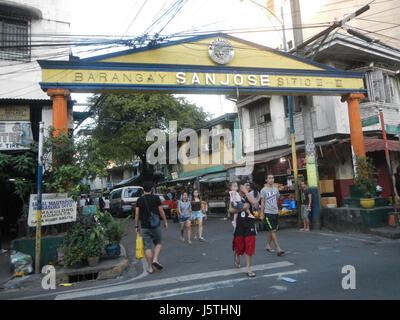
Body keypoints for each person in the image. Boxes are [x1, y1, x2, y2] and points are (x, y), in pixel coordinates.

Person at [135, 181, 168, 274]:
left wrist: (136, 226)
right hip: (155, 225)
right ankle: (155, 259)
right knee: (159, 242)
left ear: (143, 189)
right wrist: (165, 221)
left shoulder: (139, 200)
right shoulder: (156, 198)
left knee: (147, 247)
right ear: (152, 189)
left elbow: (137, 214)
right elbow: (161, 211)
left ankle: (150, 268)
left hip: (144, 226)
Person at [230, 180, 258, 278]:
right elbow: (231, 209)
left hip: (249, 223)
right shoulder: (235, 195)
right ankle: (237, 255)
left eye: (248, 186)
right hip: (240, 224)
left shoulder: (249, 195)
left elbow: (254, 203)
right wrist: (242, 208)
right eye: (246, 185)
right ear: (240, 186)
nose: (247, 187)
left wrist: (246, 192)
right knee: (239, 246)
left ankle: (248, 268)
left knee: (249, 245)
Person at [260, 174, 285, 256]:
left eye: (272, 178)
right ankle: (278, 248)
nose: (271, 179)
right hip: (268, 212)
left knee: (273, 230)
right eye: (269, 178)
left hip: (275, 212)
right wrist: (262, 213)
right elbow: (262, 202)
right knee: (273, 230)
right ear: (266, 180)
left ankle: (267, 245)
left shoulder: (276, 189)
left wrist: (279, 208)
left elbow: (277, 199)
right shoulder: (263, 190)